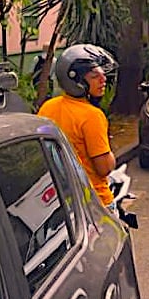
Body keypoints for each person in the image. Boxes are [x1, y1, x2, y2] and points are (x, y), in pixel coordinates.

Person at [37, 44, 117, 211]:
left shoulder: (47, 107)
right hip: (97, 202)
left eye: (103, 75)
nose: (103, 80)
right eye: (95, 76)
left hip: (64, 200)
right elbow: (104, 168)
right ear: (75, 80)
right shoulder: (92, 116)